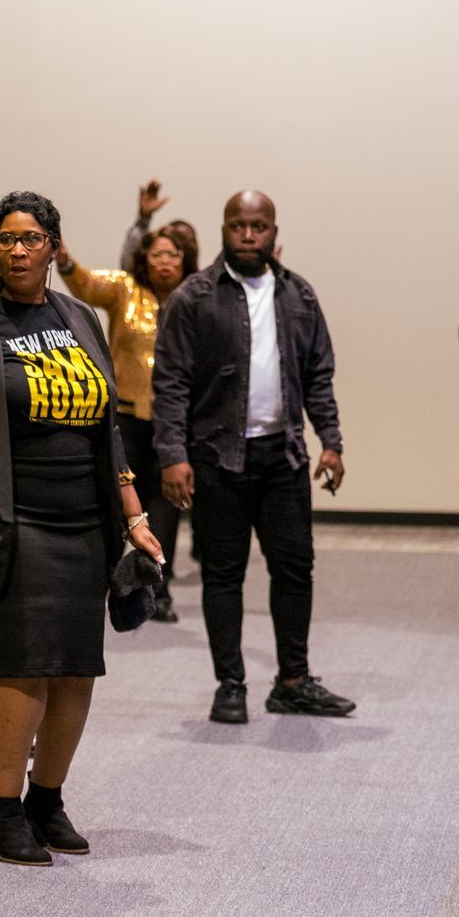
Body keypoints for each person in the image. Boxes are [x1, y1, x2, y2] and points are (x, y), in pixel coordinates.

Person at [0, 192, 164, 867]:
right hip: (13, 519)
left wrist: (133, 516)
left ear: (53, 247)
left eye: (31, 238)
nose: (16, 249)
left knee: (74, 670)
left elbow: (106, 430)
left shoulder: (81, 318)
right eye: (5, 238)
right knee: (23, 664)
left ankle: (45, 799)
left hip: (83, 522)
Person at [153, 191, 355, 724]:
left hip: (284, 459)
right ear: (223, 228)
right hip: (218, 459)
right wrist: (172, 454)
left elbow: (318, 376)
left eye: (259, 226)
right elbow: (169, 383)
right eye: (239, 225)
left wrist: (330, 441)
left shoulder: (298, 296)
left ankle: (292, 680)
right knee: (224, 575)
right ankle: (231, 685)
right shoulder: (194, 297)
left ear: (273, 231)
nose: (248, 235)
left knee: (295, 570)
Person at [54, 223, 197, 621]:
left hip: (173, 425)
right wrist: (64, 259)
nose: (165, 262)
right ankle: (112, 582)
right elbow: (85, 285)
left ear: (185, 261)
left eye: (173, 255)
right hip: (127, 421)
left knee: (167, 508)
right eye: (157, 255)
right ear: (143, 259)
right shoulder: (125, 290)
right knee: (121, 505)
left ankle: (158, 589)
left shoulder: (194, 299)